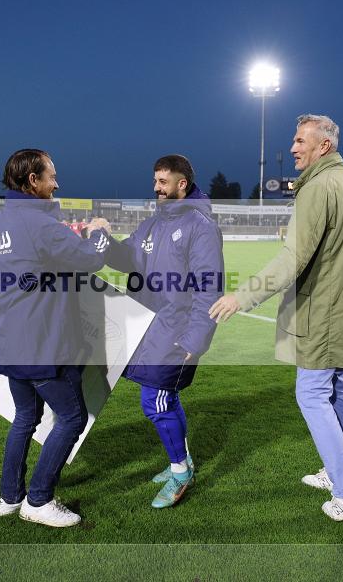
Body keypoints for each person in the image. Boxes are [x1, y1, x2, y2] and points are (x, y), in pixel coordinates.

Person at [208, 114, 343, 522]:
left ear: (325, 146)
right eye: (294, 140)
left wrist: (242, 296)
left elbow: (293, 258)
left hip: (322, 314)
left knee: (312, 395)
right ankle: (338, 472)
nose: (295, 148)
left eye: (302, 141)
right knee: (338, 391)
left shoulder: (318, 189)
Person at [0, 148, 110, 528]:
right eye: (51, 175)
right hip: (44, 343)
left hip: (9, 341)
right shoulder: (40, 224)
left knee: (24, 418)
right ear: (33, 181)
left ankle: (10, 497)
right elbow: (91, 259)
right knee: (71, 417)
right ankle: (39, 500)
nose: (57, 182)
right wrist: (98, 233)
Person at [86, 154, 223, 509]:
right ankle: (183, 461)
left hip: (176, 330)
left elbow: (209, 286)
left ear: (182, 184)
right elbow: (124, 258)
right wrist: (103, 238)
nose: (156, 188)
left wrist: (198, 337)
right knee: (165, 399)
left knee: (156, 402)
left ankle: (181, 473)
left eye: (163, 182)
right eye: (155, 181)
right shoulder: (151, 225)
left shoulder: (200, 225)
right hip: (149, 326)